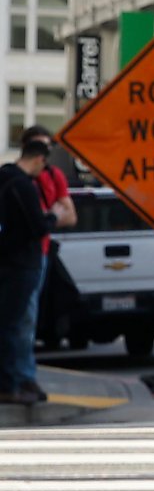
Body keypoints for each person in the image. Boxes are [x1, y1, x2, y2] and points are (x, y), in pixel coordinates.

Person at [0, 133, 59, 404]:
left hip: (7, 259)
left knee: (8, 324)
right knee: (14, 325)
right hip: (23, 263)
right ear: (38, 159)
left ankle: (12, 381)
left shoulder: (4, 178)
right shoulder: (23, 185)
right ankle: (11, 384)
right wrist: (53, 217)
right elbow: (37, 227)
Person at [23, 126, 78, 354]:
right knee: (21, 315)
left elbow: (70, 216)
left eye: (46, 147)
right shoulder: (15, 179)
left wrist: (46, 219)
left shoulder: (54, 176)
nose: (42, 154)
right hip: (18, 254)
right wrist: (50, 215)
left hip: (42, 253)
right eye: (37, 147)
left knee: (30, 313)